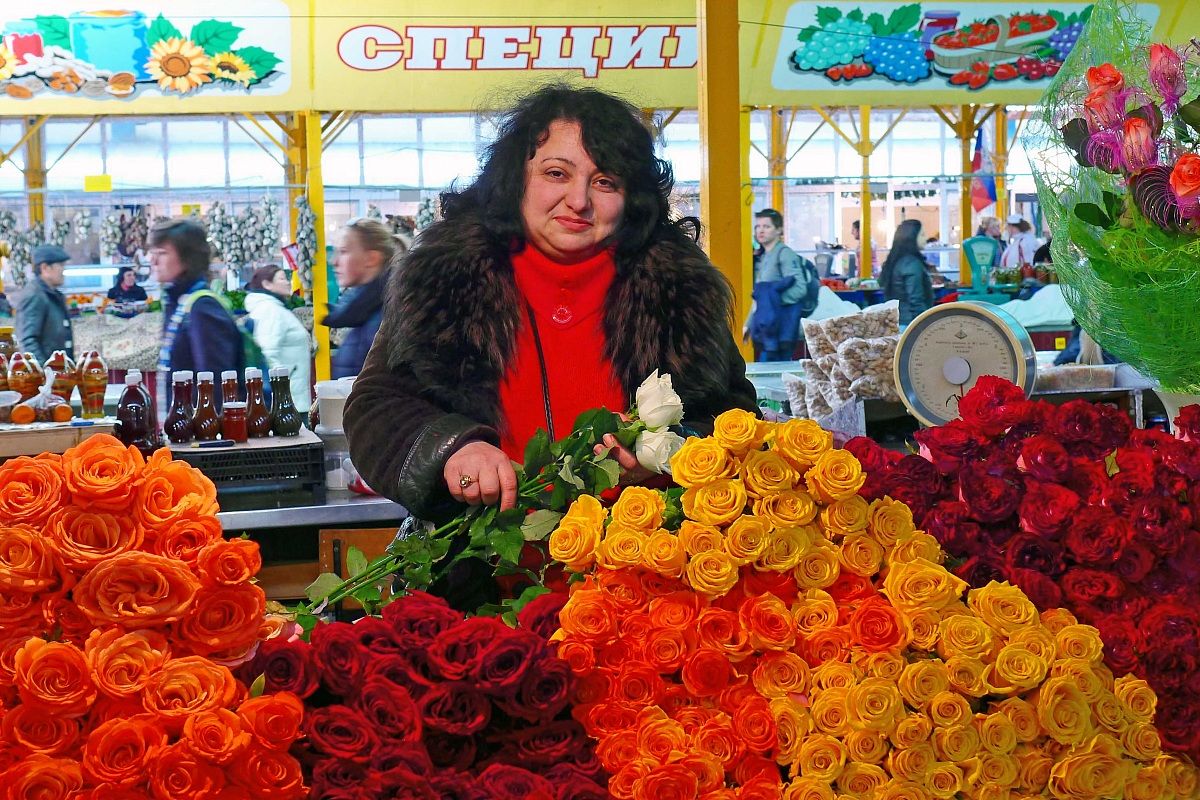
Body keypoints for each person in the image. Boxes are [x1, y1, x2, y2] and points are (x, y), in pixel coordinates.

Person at [344, 84, 757, 529]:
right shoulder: (443, 279)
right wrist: (453, 448)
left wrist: (670, 453)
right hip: (478, 574)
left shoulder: (680, 292)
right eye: (556, 173)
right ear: (515, 177)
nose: (579, 201)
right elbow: (375, 406)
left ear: (632, 197)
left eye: (605, 182)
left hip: (638, 570)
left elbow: (734, 420)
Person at [151, 218, 243, 379]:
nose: (154, 261)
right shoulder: (177, 301)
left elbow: (216, 384)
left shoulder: (202, 308)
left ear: (188, 259)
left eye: (162, 253)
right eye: (153, 253)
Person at [323, 218, 397, 378]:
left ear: (371, 258)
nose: (333, 261)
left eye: (343, 251)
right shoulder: (363, 312)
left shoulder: (384, 318)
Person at [750, 209, 819, 361]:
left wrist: (773, 301)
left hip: (782, 327)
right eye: (758, 226)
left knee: (772, 367)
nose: (760, 230)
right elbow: (760, 297)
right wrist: (748, 324)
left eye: (766, 226)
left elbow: (800, 288)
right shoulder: (765, 256)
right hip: (768, 328)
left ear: (779, 230)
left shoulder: (785, 254)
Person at [244, 265, 311, 413]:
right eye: (282, 278)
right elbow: (268, 353)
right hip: (288, 402)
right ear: (267, 284)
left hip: (292, 398)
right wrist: (281, 394)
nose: (288, 282)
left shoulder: (276, 308)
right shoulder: (271, 310)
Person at [17, 244, 73, 364]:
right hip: (48, 378)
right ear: (45, 268)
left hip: (57, 375)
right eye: (60, 265)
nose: (63, 270)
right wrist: (44, 373)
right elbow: (27, 341)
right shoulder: (35, 295)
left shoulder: (53, 295)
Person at [880, 219, 934, 325]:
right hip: (910, 322)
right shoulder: (911, 263)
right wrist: (925, 324)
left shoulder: (896, 260)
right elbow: (916, 299)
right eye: (922, 235)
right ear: (912, 237)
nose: (925, 238)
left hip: (897, 320)